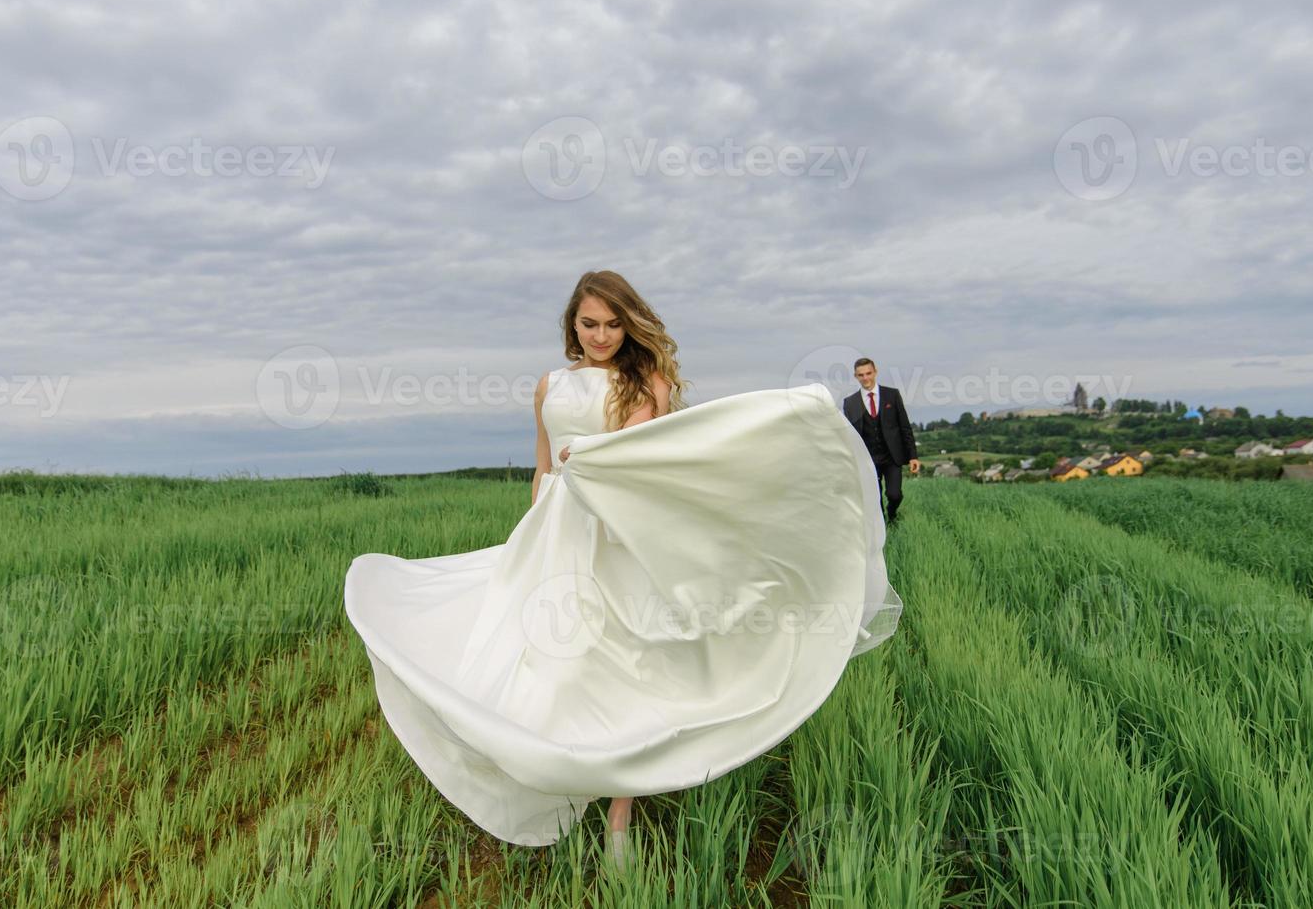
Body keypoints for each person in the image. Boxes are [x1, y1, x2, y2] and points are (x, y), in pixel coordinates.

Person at [343, 271, 903, 869]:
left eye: (614, 324)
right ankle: (551, 774)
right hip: (553, 533)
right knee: (551, 661)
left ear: (628, 324)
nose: (603, 335)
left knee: (628, 663)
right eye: (590, 324)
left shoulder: (648, 383)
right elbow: (541, 467)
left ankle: (618, 818)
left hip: (619, 532)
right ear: (571, 325)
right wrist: (530, 531)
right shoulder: (549, 385)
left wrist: (598, 457)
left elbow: (644, 460)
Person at [841, 358, 919, 524]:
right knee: (874, 498)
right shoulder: (850, 403)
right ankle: (882, 525)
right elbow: (849, 435)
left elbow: (905, 426)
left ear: (875, 372)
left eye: (868, 373)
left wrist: (913, 456)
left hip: (892, 456)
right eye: (861, 375)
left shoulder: (892, 395)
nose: (865, 378)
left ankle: (892, 514)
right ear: (856, 376)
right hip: (868, 458)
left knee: (894, 494)